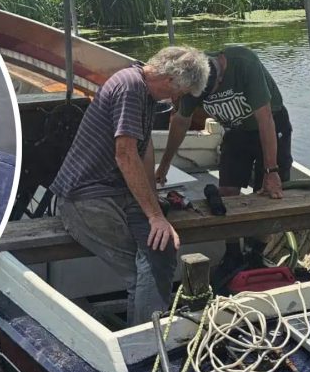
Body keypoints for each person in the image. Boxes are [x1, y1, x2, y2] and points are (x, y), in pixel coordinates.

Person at [50, 46, 210, 326]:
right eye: (180, 92)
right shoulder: (130, 87)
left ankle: (151, 325)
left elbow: (143, 147)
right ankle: (146, 343)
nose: (176, 99)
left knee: (162, 250)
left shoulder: (147, 94)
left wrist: (152, 198)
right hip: (85, 196)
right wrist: (155, 216)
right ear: (170, 80)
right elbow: (124, 154)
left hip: (118, 192)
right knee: (142, 273)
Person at [155, 45, 292, 269]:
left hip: (270, 125)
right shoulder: (193, 74)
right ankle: (233, 253)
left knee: (269, 195)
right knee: (227, 192)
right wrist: (165, 165)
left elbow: (266, 119)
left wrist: (271, 171)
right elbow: (181, 121)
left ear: (218, 80)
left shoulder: (244, 63)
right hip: (235, 130)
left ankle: (255, 253)